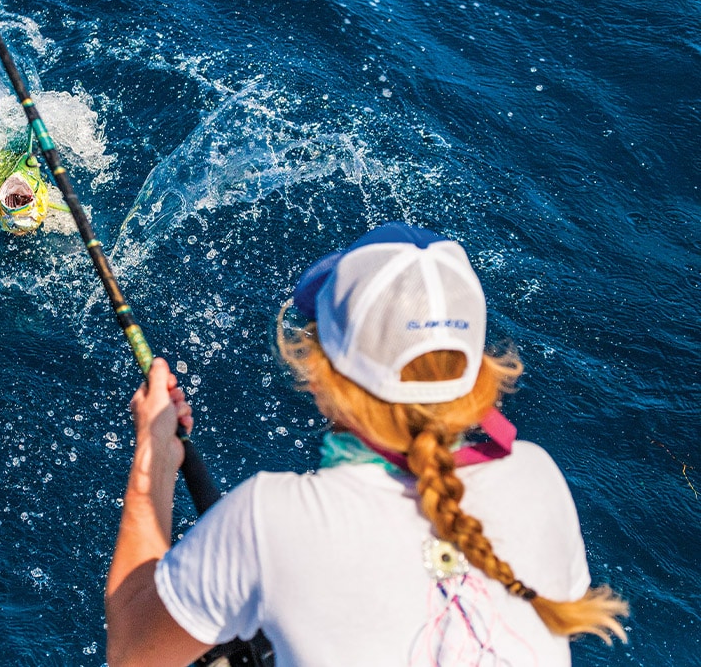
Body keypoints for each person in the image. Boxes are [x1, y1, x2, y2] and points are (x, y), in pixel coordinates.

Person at [105, 222, 628, 666]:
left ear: (322, 371)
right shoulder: (537, 478)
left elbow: (132, 651)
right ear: (478, 368)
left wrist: (155, 451)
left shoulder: (271, 517)